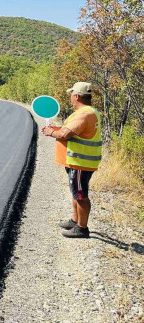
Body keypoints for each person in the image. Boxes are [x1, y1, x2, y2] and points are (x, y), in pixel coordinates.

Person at [41, 82, 102, 239]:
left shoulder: (84, 114)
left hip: (80, 162)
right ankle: (75, 220)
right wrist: (56, 130)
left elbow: (65, 135)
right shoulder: (89, 111)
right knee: (76, 192)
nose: (71, 98)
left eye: (71, 95)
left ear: (76, 96)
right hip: (78, 161)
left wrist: (50, 132)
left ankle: (82, 228)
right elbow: (73, 131)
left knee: (81, 194)